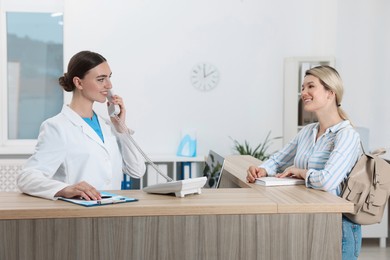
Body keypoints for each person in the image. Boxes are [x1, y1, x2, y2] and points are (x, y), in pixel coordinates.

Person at [246, 65, 362, 260]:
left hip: (337, 227)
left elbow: (327, 181)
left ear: (330, 93)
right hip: (309, 221)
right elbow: (278, 159)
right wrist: (261, 169)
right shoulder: (308, 132)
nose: (304, 93)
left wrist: (301, 172)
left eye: (311, 86)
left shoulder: (347, 135)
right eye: (302, 87)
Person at [17, 50, 146, 201]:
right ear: (79, 82)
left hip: (112, 211)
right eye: (100, 79)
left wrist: (121, 129)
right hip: (79, 214)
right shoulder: (57, 127)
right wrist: (65, 189)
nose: (109, 85)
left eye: (109, 77)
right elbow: (27, 178)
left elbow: (137, 171)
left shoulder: (109, 126)